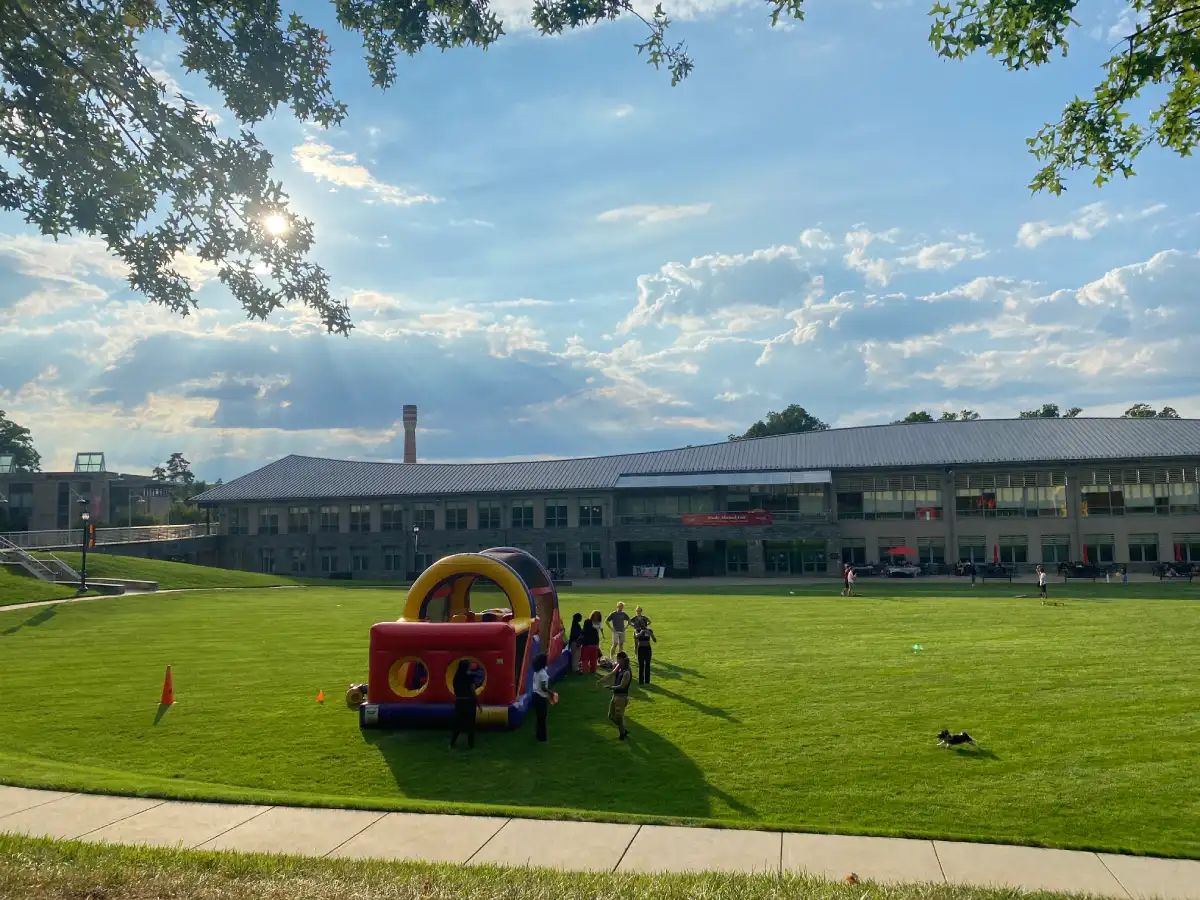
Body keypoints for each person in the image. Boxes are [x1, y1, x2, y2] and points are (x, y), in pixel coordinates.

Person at [449, 660, 482, 750]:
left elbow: (455, 690)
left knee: (458, 723)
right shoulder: (469, 677)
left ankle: (452, 743)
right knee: (470, 724)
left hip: (459, 702)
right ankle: (471, 745)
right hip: (469, 702)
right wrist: (478, 703)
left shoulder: (456, 678)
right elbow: (472, 690)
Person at [600, 650, 632, 740]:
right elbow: (612, 673)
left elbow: (622, 686)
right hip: (615, 696)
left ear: (622, 659)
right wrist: (601, 680)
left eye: (618, 659)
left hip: (621, 697)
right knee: (611, 716)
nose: (617, 661)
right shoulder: (619, 667)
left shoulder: (627, 672)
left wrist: (611, 687)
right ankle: (623, 729)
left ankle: (622, 733)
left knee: (618, 717)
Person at [531, 653, 550, 742]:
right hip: (541, 697)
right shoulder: (543, 674)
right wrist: (551, 693)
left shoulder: (536, 672)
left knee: (539, 717)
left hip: (535, 695)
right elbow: (543, 687)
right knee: (543, 717)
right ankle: (542, 737)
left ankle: (538, 734)